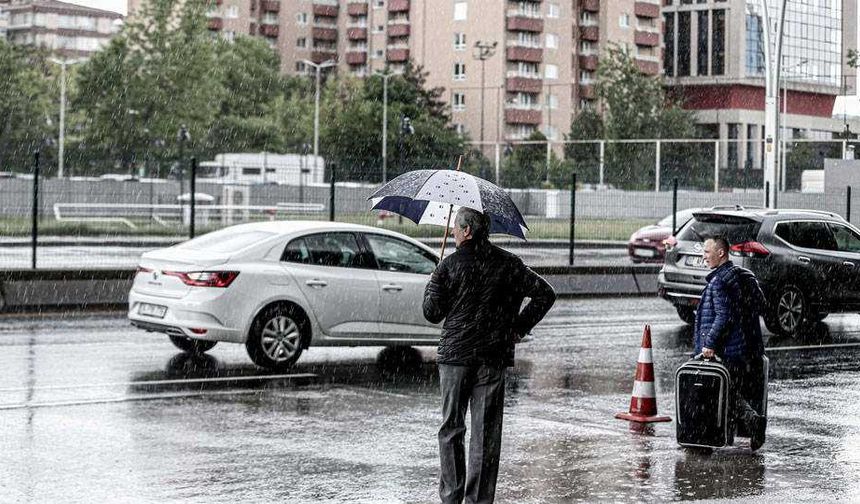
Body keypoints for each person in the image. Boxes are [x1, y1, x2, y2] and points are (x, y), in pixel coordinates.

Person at [423, 207, 556, 504]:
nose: (453, 232)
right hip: (492, 357)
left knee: (451, 429)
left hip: (455, 358)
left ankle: (451, 497)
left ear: (467, 231)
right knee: (486, 435)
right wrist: (518, 329)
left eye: (456, 227)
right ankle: (479, 500)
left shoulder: (449, 265)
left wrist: (433, 282)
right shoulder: (509, 264)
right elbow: (546, 294)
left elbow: (432, 313)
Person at [694, 236, 768, 451]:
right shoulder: (743, 276)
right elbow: (759, 306)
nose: (703, 256)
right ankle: (732, 435)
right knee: (739, 390)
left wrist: (710, 343)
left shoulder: (719, 282)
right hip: (747, 348)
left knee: (723, 391)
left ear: (721, 253)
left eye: (707, 252)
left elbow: (724, 316)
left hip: (727, 350)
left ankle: (750, 421)